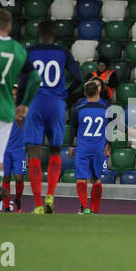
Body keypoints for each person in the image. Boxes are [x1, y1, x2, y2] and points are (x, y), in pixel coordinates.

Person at [22, 20, 84, 214]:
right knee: (56, 150)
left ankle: (38, 205)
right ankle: (50, 195)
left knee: (34, 152)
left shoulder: (29, 52)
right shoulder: (63, 52)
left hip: (35, 103)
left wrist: (21, 105)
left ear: (38, 33)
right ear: (54, 34)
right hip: (56, 103)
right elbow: (79, 78)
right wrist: (67, 95)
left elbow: (23, 81)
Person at [0, 9, 41, 216]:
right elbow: (35, 79)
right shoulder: (19, 50)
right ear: (10, 27)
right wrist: (24, 104)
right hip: (6, 113)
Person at [68, 80, 110, 215]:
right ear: (98, 91)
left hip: (83, 149)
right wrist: (108, 144)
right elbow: (110, 128)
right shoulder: (105, 110)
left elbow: (73, 128)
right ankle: (95, 210)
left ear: (85, 93)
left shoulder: (78, 110)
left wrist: (70, 145)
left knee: (81, 179)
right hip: (98, 149)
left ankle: (85, 208)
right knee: (97, 179)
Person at [2, 85, 26, 213]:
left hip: (19, 149)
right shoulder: (3, 108)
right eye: (13, 94)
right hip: (4, 149)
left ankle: (18, 198)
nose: (14, 96)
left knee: (19, 178)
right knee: (5, 177)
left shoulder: (24, 110)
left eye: (16, 93)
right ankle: (6, 207)